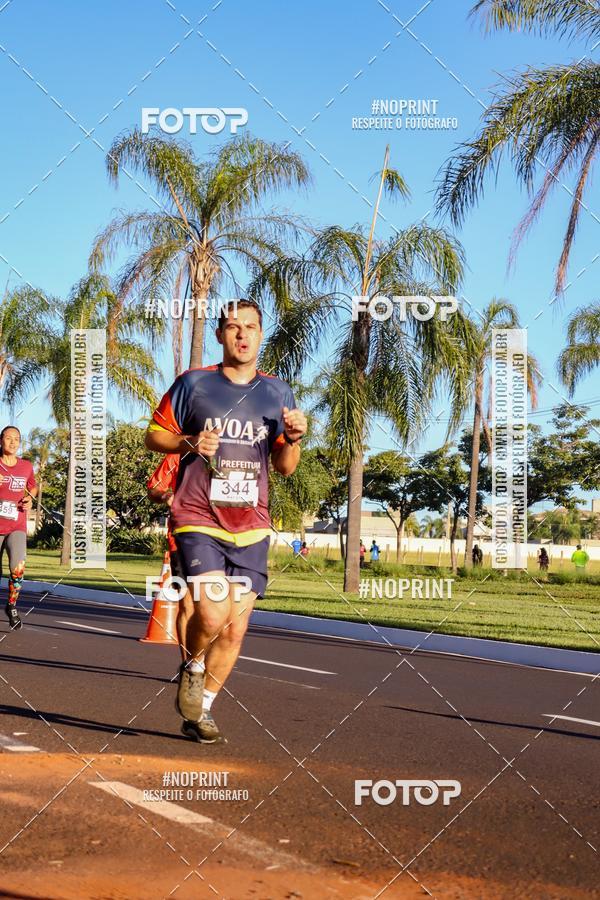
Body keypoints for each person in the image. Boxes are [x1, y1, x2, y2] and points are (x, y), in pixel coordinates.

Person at [146, 298, 307, 744]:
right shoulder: (194, 384)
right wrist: (190, 442)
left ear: (260, 335)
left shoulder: (278, 393)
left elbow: (285, 465)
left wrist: (292, 439)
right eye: (233, 327)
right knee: (213, 612)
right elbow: (153, 435)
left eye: (251, 327)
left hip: (251, 521)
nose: (242, 334)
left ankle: (203, 710)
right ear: (220, 335)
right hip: (198, 513)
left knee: (235, 627)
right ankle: (193, 667)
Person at [147, 453, 194, 663]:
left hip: (224, 539)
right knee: (189, 605)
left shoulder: (232, 451)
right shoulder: (177, 455)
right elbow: (154, 487)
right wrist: (166, 496)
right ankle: (190, 666)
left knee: (217, 609)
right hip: (183, 538)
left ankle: (203, 660)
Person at [0, 426, 38, 630]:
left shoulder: (26, 466)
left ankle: (11, 605)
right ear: (1, 441)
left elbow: (33, 485)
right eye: (8, 438)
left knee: (18, 567)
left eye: (17, 439)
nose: (13, 442)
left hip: (17, 524)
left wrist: (30, 497)